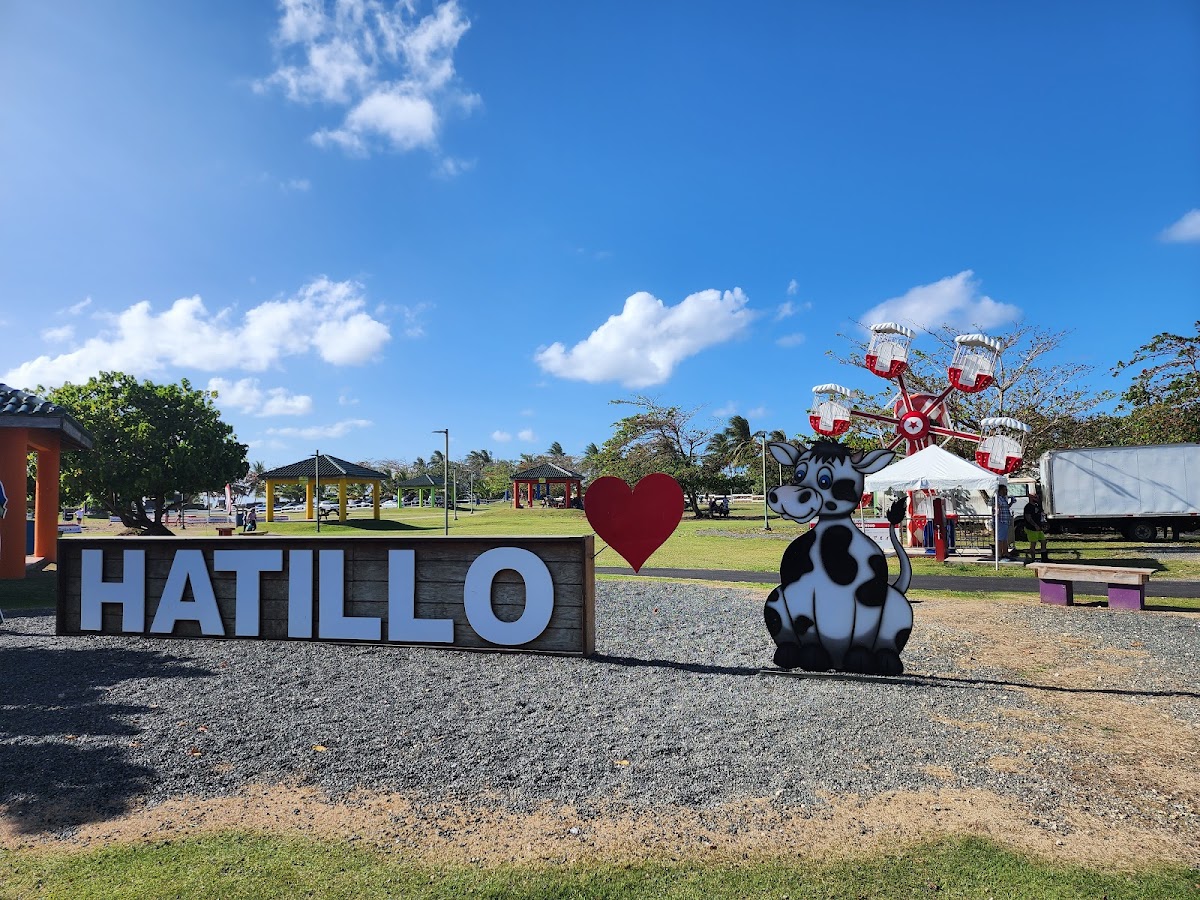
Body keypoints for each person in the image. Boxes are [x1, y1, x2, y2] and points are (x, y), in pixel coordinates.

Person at [1023, 488, 1049, 561]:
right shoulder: (1028, 507)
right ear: (1030, 498)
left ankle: (1044, 558)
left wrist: (1043, 524)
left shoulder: (1037, 505)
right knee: (1033, 544)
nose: (1037, 498)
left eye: (1037, 497)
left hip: (1039, 528)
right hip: (1031, 528)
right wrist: (1035, 525)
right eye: (1035, 497)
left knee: (1043, 541)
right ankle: (1033, 559)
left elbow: (1041, 515)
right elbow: (1028, 518)